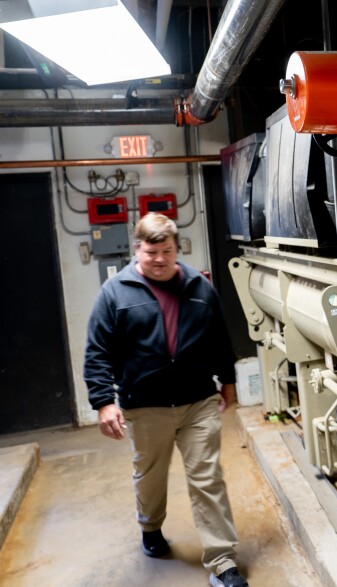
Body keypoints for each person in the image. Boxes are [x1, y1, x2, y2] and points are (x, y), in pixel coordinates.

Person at [84, 213, 248, 587]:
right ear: (137, 249)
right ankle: (151, 527)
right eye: (151, 251)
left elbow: (219, 339)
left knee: (208, 479)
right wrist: (103, 401)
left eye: (167, 251)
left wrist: (228, 382)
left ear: (177, 249)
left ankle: (223, 561)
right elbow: (97, 351)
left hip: (197, 402)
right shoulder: (115, 292)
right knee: (150, 476)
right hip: (144, 405)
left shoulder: (198, 286)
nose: (159, 259)